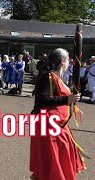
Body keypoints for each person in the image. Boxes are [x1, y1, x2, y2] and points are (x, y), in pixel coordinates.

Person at [30, 48, 86, 180]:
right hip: (49, 125)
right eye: (68, 60)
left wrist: (70, 96)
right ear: (62, 61)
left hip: (58, 125)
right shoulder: (48, 77)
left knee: (57, 159)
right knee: (52, 162)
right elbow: (42, 99)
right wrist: (68, 99)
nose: (69, 63)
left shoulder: (56, 77)